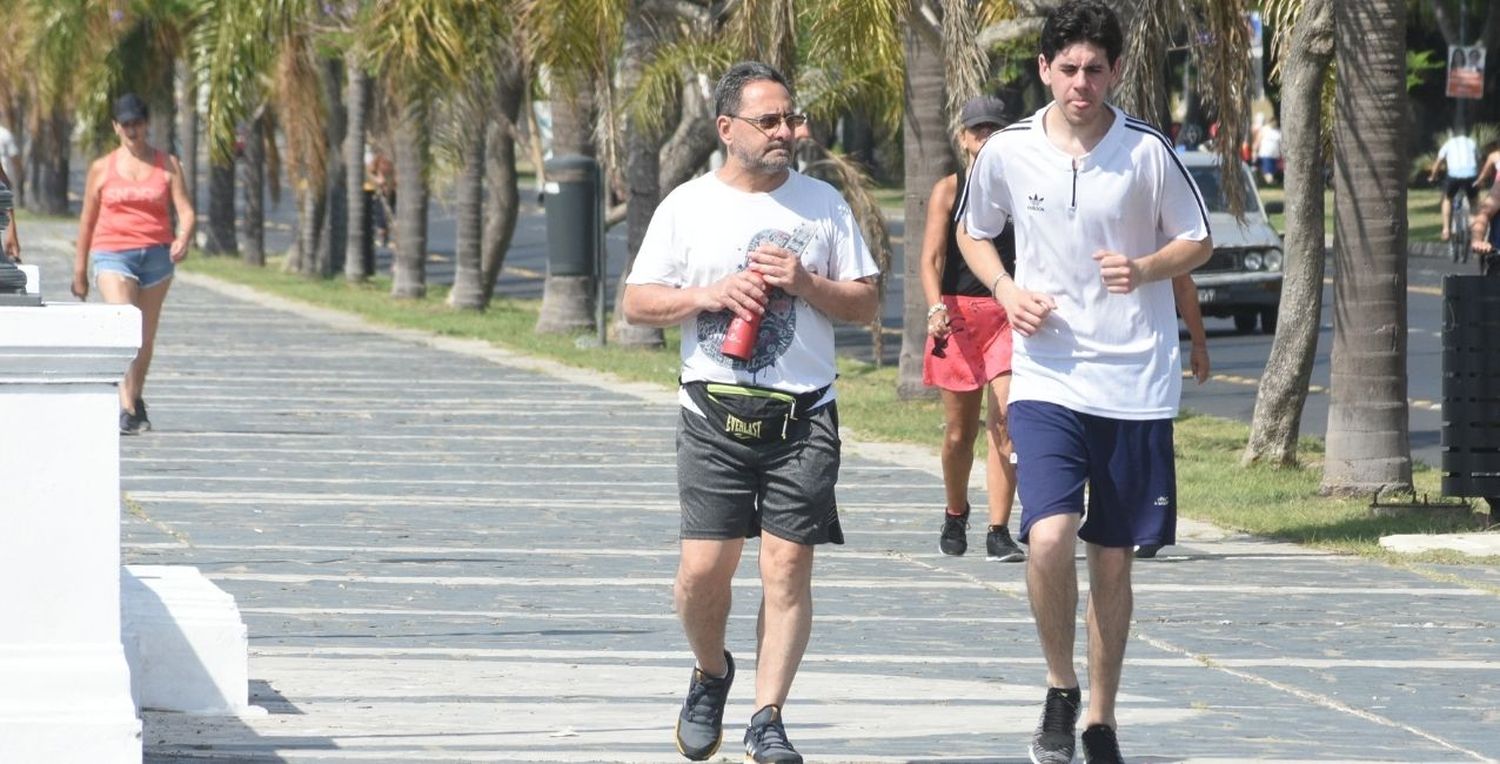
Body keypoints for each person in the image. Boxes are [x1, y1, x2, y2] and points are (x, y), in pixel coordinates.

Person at [954, 2, 1213, 761]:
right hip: (1047, 373)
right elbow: (974, 231)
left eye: (1095, 69)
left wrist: (1144, 268)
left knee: (1110, 557)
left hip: (1133, 378)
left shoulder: (1146, 152)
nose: (1081, 82)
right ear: (1044, 70)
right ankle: (1059, 687)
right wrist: (1004, 291)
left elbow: (1195, 239)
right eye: (1067, 68)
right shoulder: (1005, 151)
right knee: (1047, 535)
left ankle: (1100, 716)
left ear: (1116, 72)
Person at [621, 61, 880, 763]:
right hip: (713, 413)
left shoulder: (822, 205)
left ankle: (768, 718)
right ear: (726, 128)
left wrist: (808, 282)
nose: (785, 133)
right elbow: (636, 303)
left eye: (789, 119)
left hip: (804, 415)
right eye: (768, 121)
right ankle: (711, 671)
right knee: (702, 573)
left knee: (787, 567)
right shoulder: (687, 206)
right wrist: (708, 295)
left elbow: (866, 303)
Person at [920, 95, 1026, 563]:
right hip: (958, 317)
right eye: (977, 130)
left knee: (1005, 424)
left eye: (993, 130)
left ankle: (998, 529)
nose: (985, 138)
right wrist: (934, 307)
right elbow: (931, 259)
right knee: (959, 433)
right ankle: (955, 511)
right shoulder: (950, 188)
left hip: (1006, 315)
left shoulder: (1022, 188)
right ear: (962, 138)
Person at [72, 93, 196, 435]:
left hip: (157, 255)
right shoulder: (102, 168)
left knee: (143, 335)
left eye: (137, 123)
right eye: (125, 124)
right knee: (123, 323)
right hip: (113, 253)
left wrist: (183, 237)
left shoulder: (167, 164)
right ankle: (126, 405)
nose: (132, 130)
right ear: (116, 127)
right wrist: (80, 270)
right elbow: (87, 220)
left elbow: (184, 210)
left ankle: (135, 398)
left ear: (146, 124)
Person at [1429, 129, 1479, 242]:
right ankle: (1473, 227)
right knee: (1474, 201)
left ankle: (1446, 229)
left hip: (1454, 175)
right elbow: (1478, 160)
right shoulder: (1471, 142)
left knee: (1447, 199)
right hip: (1471, 174)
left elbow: (1438, 162)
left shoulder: (1448, 143)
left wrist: (1432, 176)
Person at [1252, 116, 1282, 185]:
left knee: (1268, 171)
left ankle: (1269, 182)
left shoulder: (1277, 132)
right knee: (1267, 171)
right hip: (1266, 154)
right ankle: (1270, 182)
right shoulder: (1265, 130)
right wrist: (1255, 150)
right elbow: (1258, 141)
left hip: (1272, 155)